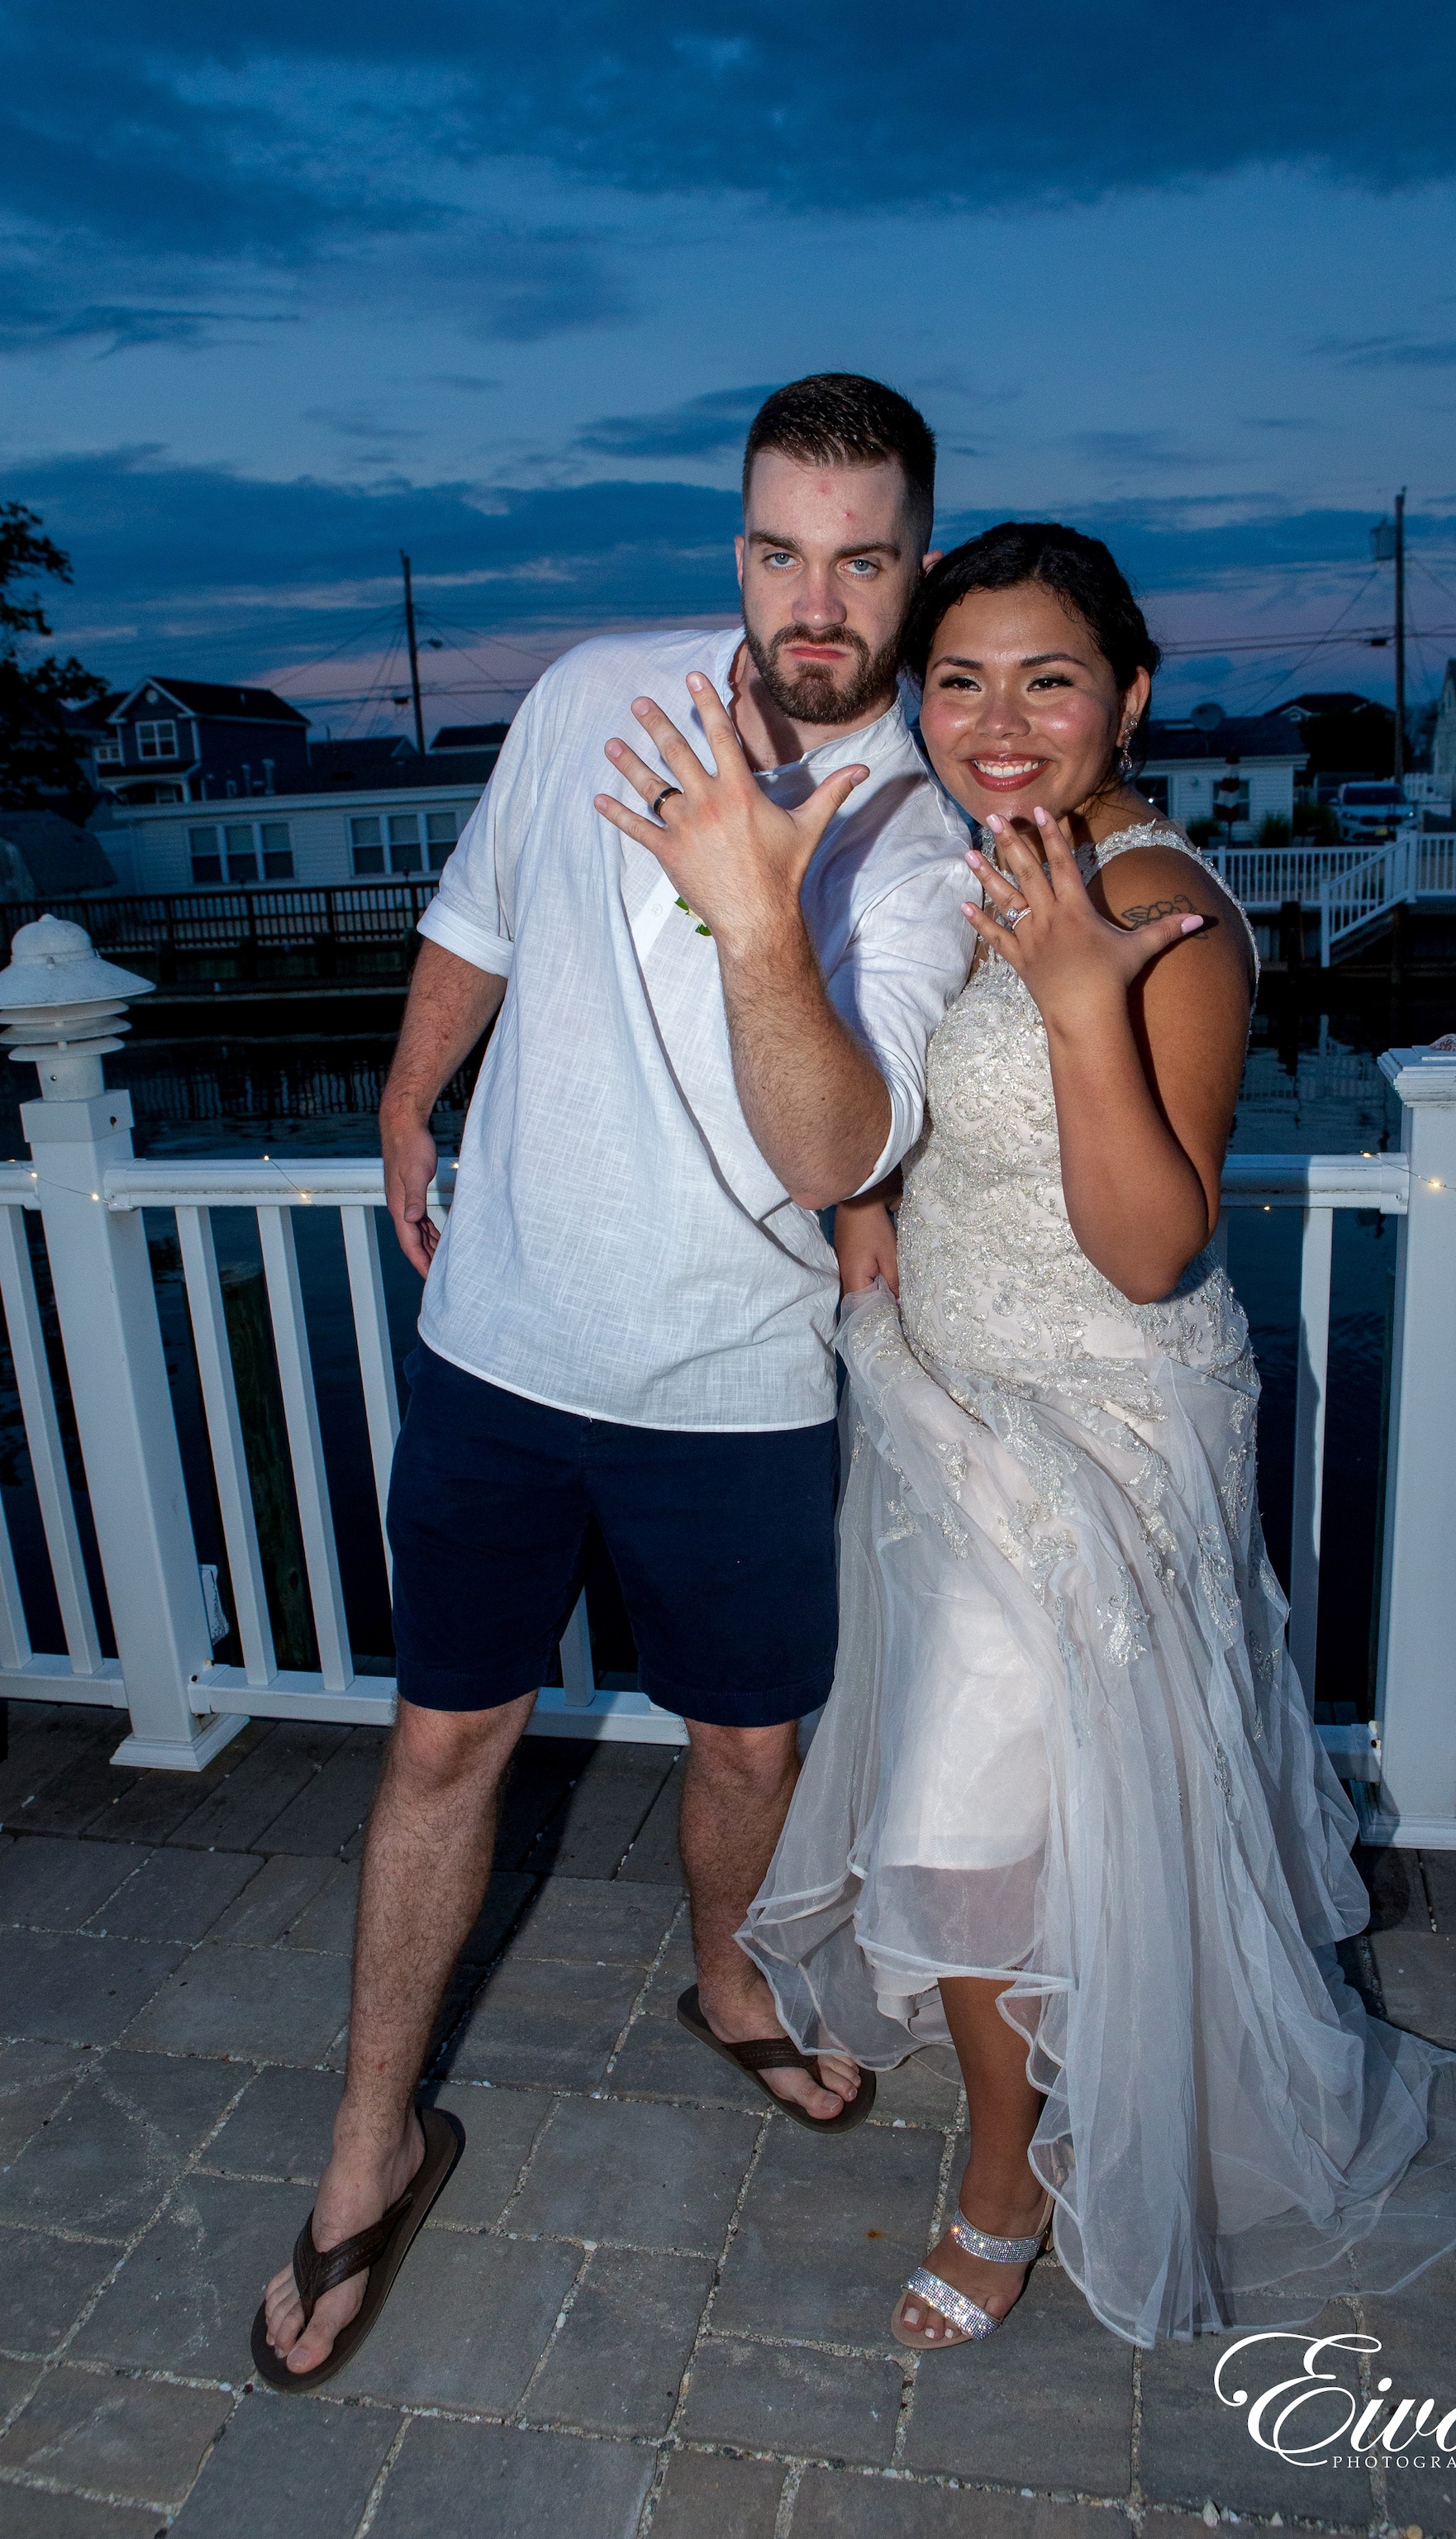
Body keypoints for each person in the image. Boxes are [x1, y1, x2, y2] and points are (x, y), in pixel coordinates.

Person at [255, 375, 975, 2389]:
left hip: (741, 1380)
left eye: (862, 557)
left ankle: (727, 1977)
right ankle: (366, 2140)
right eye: (777, 549)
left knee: (744, 1753)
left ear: (917, 562)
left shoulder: (919, 830)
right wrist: (410, 1095)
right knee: (437, 1748)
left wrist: (763, 913)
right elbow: (480, 914)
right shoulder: (591, 690)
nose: (813, 599)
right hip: (500, 1347)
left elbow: (837, 1150)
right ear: (732, 542)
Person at [741, 522, 1456, 2350]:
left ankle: (1003, 2188)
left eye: (1048, 678)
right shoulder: (943, 864)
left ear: (1128, 697)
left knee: (967, 1809)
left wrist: (1081, 1002)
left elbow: (1153, 1247)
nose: (999, 721)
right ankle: (1049, 2091)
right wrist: (868, 1244)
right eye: (960, 678)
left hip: (1102, 1412)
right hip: (943, 1395)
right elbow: (887, 1114)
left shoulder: (1162, 910)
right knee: (1025, 1797)